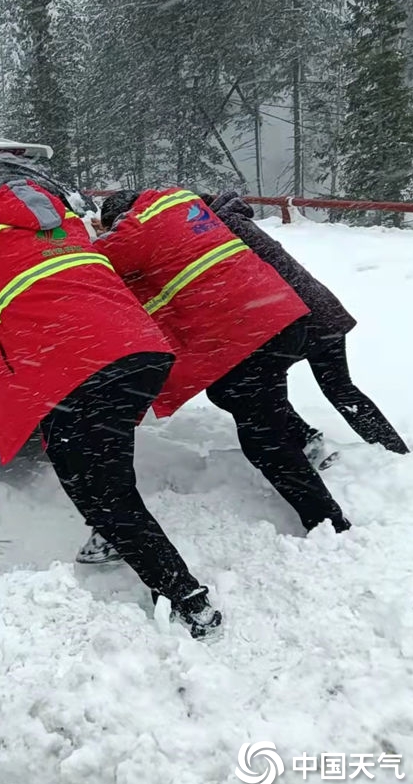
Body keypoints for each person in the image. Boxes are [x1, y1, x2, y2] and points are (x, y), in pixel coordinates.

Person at [0, 178, 221, 637]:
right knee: (105, 466)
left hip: (80, 368)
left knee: (98, 487)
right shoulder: (71, 230)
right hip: (141, 356)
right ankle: (114, 535)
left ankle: (186, 598)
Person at [76, 187, 350, 565]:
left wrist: (96, 235)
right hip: (277, 317)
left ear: (122, 219)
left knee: (263, 440)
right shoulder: (177, 204)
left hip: (251, 333)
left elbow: (95, 261)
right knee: (230, 392)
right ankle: (304, 440)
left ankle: (328, 521)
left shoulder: (135, 230)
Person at [203, 191, 409, 460]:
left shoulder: (220, 233)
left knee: (253, 385)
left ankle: (304, 440)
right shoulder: (234, 222)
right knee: (339, 387)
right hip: (322, 309)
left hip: (291, 319)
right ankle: (395, 453)